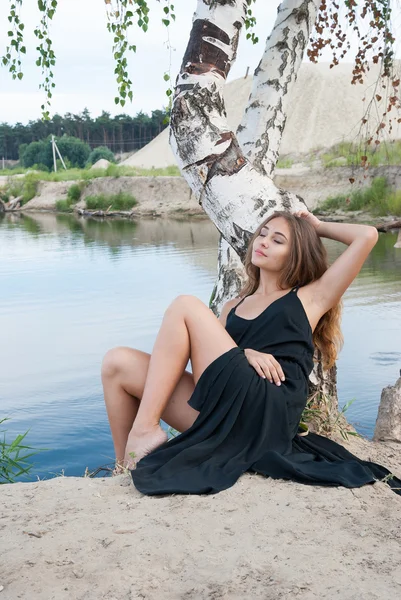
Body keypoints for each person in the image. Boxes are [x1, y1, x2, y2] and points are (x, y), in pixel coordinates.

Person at [101, 209, 401, 496]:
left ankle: (145, 429)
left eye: (278, 240)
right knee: (117, 363)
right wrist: (245, 353)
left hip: (266, 410)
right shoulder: (234, 305)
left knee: (185, 304)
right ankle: (125, 463)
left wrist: (317, 226)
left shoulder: (310, 298)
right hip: (226, 412)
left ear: (295, 254)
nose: (264, 242)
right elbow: (212, 363)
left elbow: (367, 235)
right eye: (263, 234)